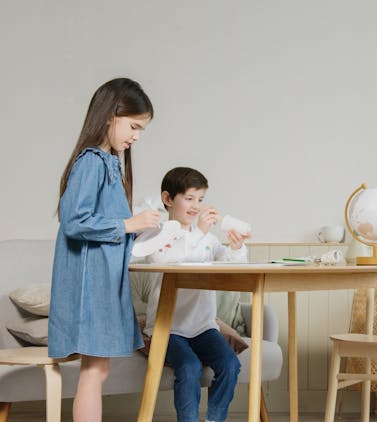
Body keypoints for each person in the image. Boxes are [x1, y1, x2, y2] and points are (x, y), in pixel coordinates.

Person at [48, 77, 160, 422]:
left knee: (98, 372)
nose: (136, 136)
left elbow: (104, 227)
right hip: (91, 288)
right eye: (134, 126)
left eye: (141, 130)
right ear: (111, 115)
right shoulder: (92, 162)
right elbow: (74, 222)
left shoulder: (108, 163)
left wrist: (145, 234)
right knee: (93, 373)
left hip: (104, 283)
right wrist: (130, 224)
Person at [143, 167, 251, 422]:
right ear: (168, 199)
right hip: (168, 327)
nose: (196, 206)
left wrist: (236, 248)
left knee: (230, 365)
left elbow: (229, 265)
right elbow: (172, 260)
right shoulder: (158, 234)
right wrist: (201, 232)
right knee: (189, 367)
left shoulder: (207, 239)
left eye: (200, 200)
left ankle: (214, 419)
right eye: (189, 199)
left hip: (202, 326)